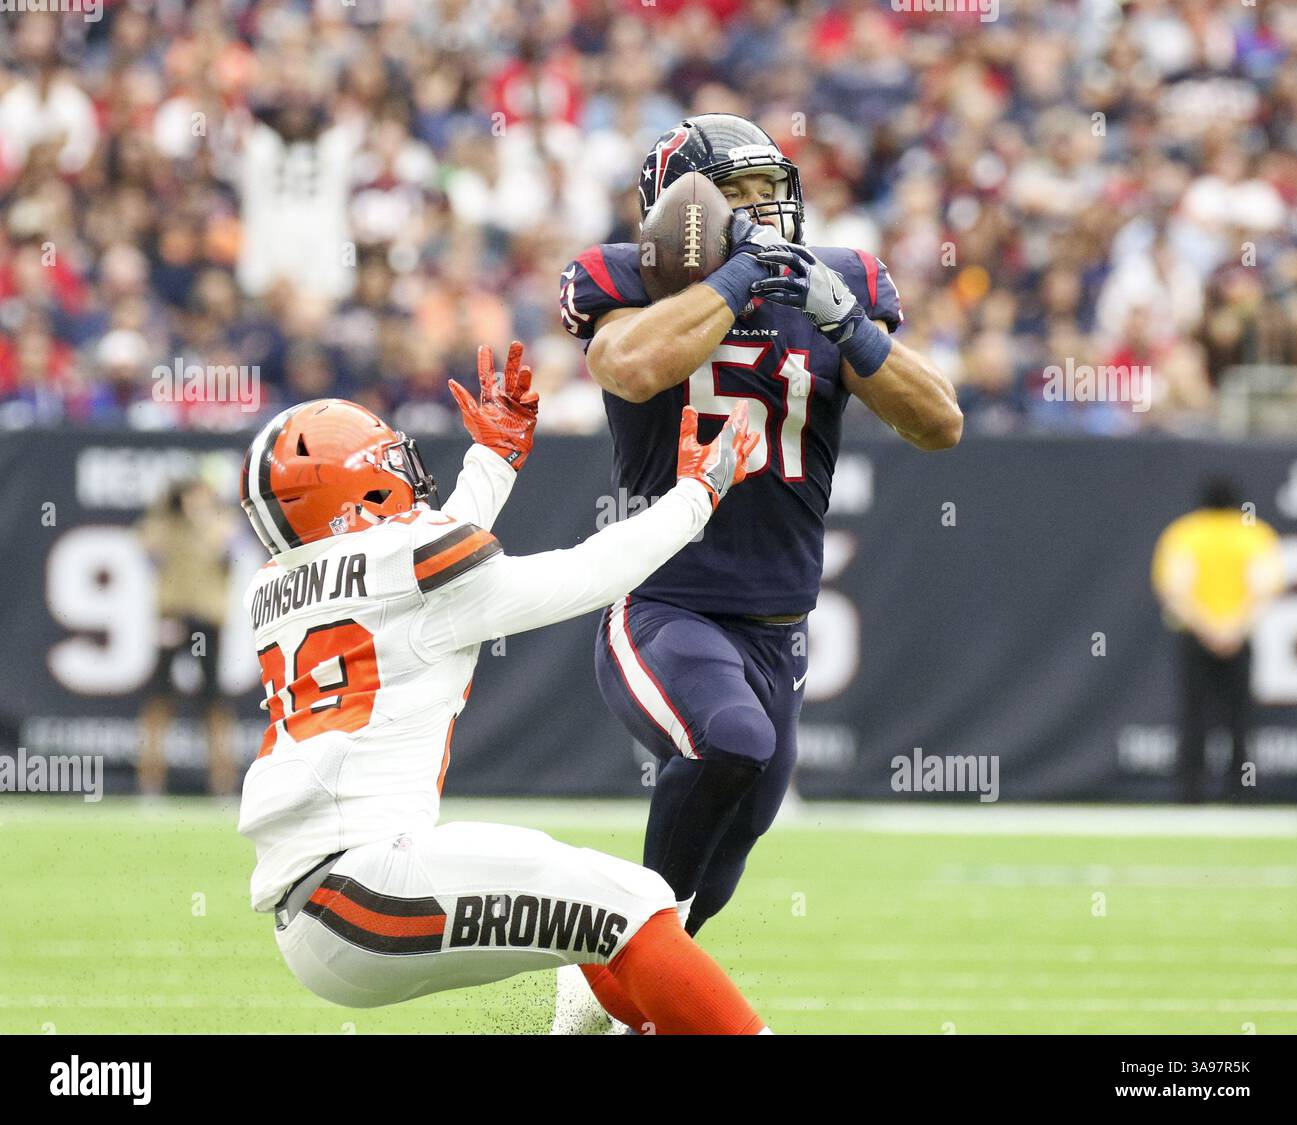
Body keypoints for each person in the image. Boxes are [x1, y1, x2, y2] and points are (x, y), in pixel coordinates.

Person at [555, 113, 962, 1031]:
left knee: (723, 855)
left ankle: (597, 981)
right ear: (681, 214)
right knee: (728, 741)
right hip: (665, 604)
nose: (762, 214)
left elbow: (940, 421)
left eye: (767, 193)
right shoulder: (630, 276)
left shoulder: (842, 281)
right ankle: (637, 998)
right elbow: (630, 367)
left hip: (780, 628)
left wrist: (848, 325)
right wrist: (737, 282)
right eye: (733, 199)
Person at [237, 340, 771, 1034]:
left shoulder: (273, 589)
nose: (406, 478)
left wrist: (493, 459)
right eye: (387, 468)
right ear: (357, 496)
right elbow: (585, 574)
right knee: (638, 901)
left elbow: (415, 586)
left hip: (317, 911)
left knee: (591, 923)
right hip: (365, 886)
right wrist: (698, 494)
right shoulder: (407, 563)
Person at [1152, 477, 1285, 803]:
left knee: (1193, 714)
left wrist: (1207, 627)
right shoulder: (1252, 533)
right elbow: (1265, 586)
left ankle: (1189, 792)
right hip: (1239, 636)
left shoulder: (1186, 532)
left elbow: (1174, 587)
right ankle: (1238, 791)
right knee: (1238, 716)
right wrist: (1232, 628)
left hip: (1195, 637)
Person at [136, 477, 238, 796]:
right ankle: (150, 778)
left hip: (206, 619)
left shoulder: (221, 523)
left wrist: (203, 517)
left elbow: (228, 547)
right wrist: (166, 507)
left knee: (213, 697)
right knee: (159, 695)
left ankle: (222, 779)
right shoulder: (167, 525)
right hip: (172, 615)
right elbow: (144, 543)